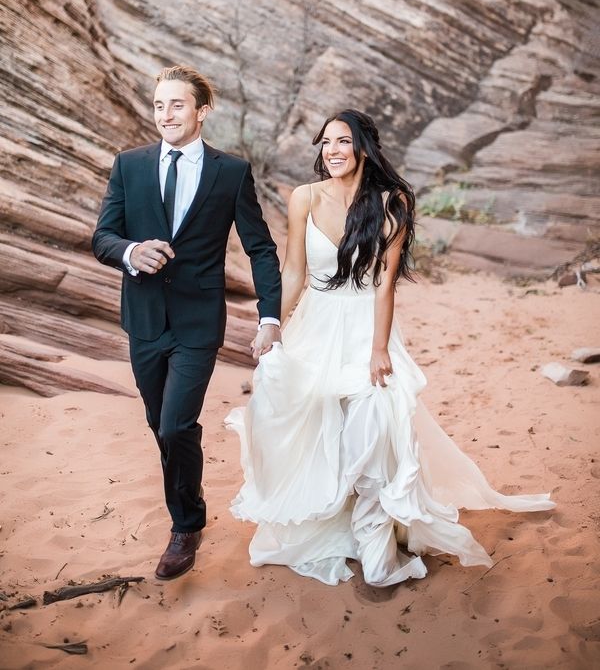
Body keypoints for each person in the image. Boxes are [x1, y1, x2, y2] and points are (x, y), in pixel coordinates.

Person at [226, 109, 554, 587]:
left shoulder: (390, 201)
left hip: (365, 326)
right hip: (314, 327)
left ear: (364, 148)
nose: (332, 151)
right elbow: (294, 270)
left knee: (374, 430)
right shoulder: (304, 198)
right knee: (315, 425)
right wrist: (272, 323)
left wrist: (379, 349)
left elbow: (384, 284)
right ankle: (332, 529)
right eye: (325, 143)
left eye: (343, 142)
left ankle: (376, 551)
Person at [93, 64, 281, 581]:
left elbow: (261, 249)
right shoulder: (129, 165)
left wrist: (269, 316)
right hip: (145, 319)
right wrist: (132, 250)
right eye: (158, 105)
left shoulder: (232, 172)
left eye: (176, 105)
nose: (165, 114)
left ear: (202, 110)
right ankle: (189, 499)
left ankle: (186, 526)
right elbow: (102, 237)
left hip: (199, 323)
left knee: (176, 424)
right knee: (162, 425)